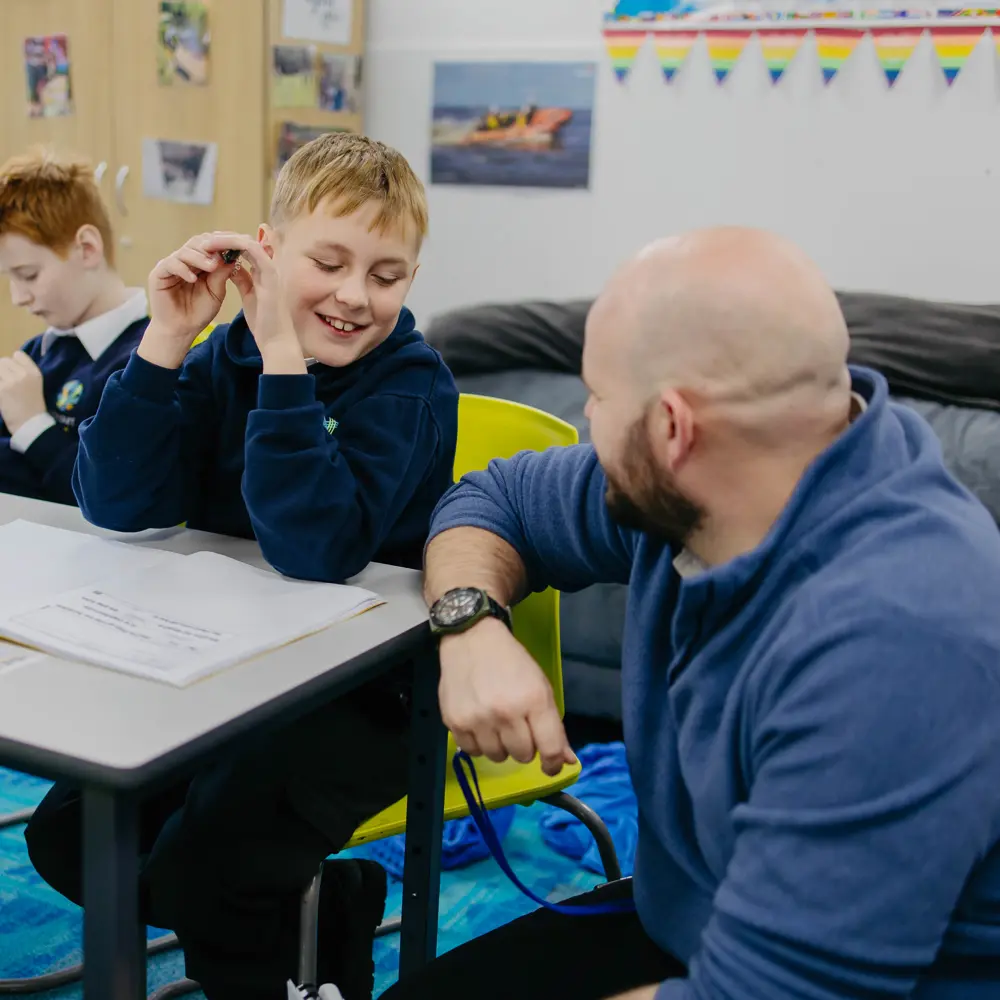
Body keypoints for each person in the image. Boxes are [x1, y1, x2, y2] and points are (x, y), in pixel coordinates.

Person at [388, 227, 1000, 1000]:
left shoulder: (897, 642)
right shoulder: (712, 486)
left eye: (598, 399)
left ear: (673, 429)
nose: (586, 420)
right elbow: (492, 500)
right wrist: (472, 625)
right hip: (693, 923)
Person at [24, 133, 458, 1000]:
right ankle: (316, 906)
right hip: (231, 670)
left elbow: (318, 552)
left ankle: (279, 935)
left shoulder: (412, 388)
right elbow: (115, 501)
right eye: (327, 262)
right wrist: (165, 341)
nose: (352, 295)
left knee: (207, 866)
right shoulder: (226, 355)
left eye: (386, 274)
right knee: (71, 836)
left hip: (368, 698)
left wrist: (285, 362)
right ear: (265, 249)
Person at [0, 149, 149, 505]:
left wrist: (32, 426)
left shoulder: (148, 360)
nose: (17, 297)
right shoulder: (41, 351)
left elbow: (110, 497)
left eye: (28, 275)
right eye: (9, 278)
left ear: (86, 248)